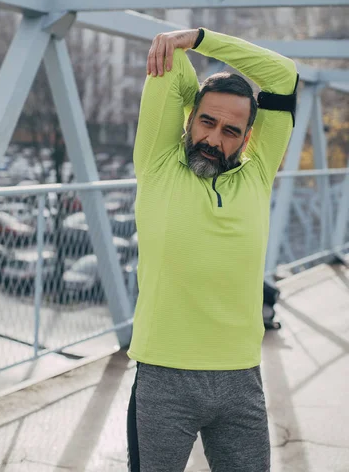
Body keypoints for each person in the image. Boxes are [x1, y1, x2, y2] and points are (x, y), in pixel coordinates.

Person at [126, 27, 299, 472]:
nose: (214, 139)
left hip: (241, 378)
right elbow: (171, 63)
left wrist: (202, 38)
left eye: (230, 131)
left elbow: (282, 76)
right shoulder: (158, 163)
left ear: (247, 138)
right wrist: (184, 45)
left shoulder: (258, 176)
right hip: (164, 379)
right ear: (188, 117)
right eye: (206, 121)